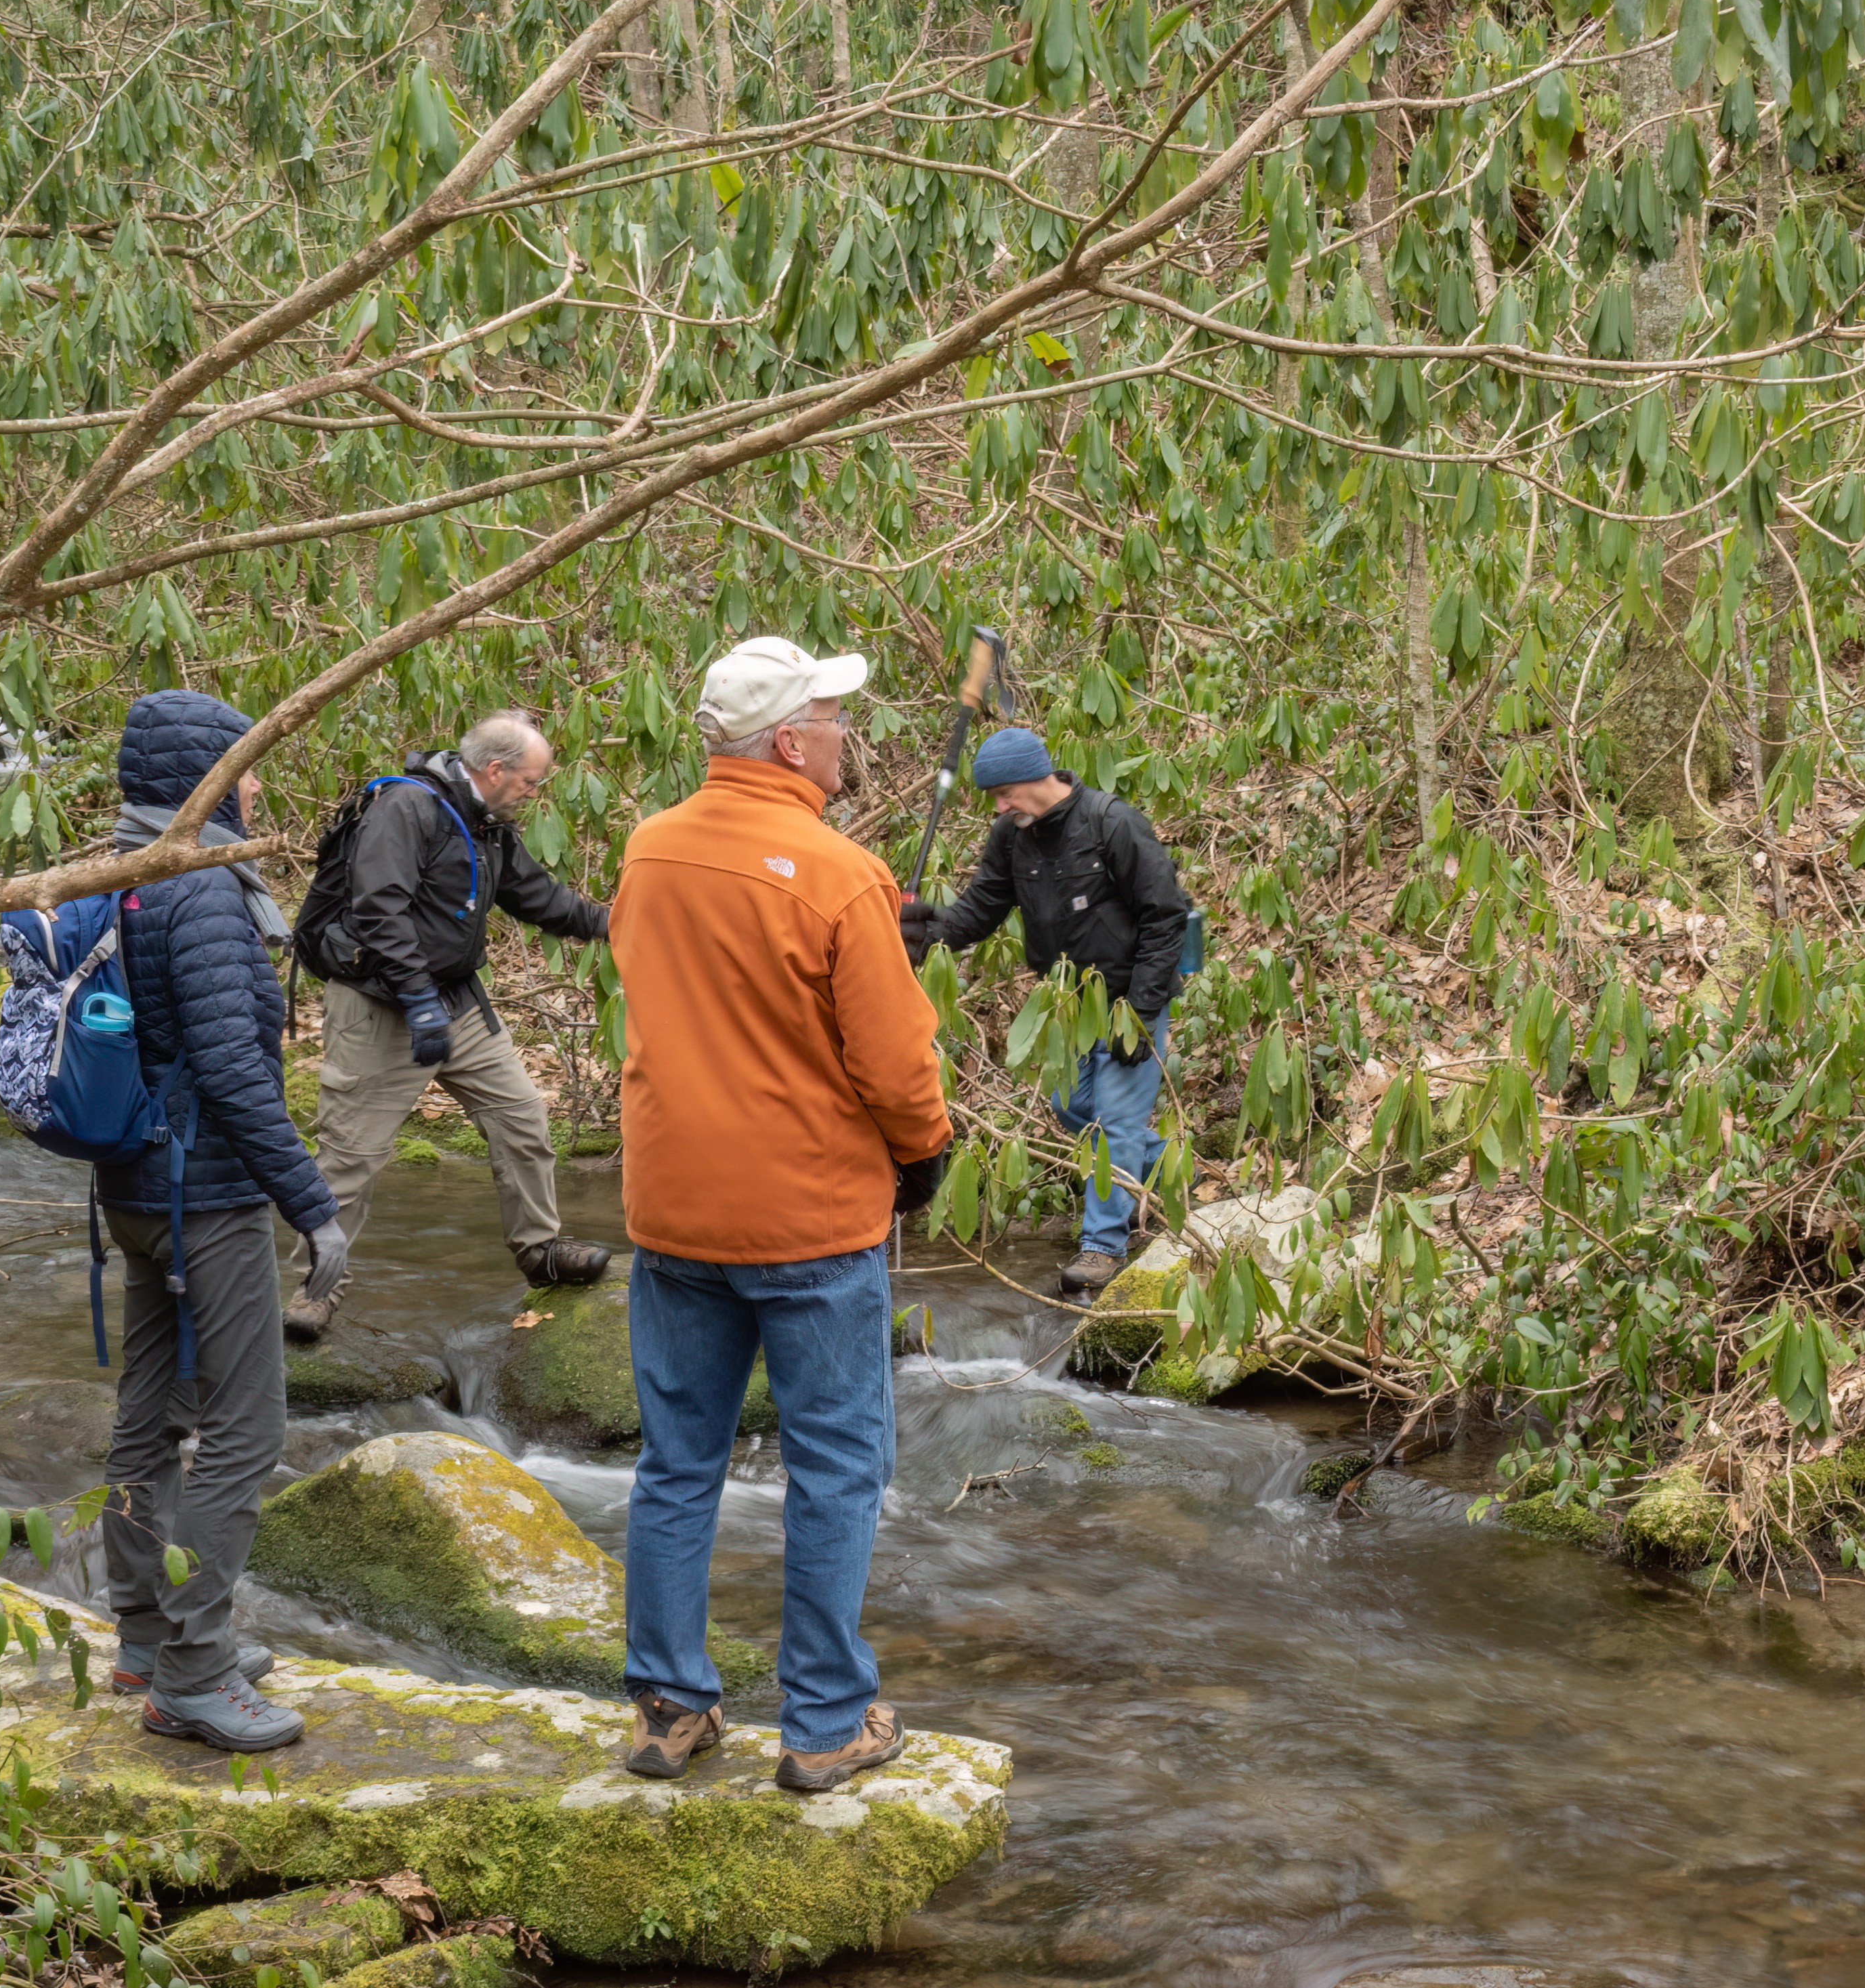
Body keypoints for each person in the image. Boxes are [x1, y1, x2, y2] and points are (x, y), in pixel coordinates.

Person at [603, 637, 952, 1795]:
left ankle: (666, 1706)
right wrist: (925, 1154)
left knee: (677, 1462)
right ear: (790, 741)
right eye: (833, 715)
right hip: (808, 1216)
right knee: (837, 1465)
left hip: (675, 1208)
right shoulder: (840, 871)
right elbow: (900, 1068)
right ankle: (824, 1721)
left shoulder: (648, 850)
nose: (848, 733)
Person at [96, 687, 342, 1752]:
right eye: (245, 764)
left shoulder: (123, 871)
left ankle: (148, 1636)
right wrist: (315, 1207)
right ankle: (193, 1671)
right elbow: (238, 1075)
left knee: (150, 1419)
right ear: (210, 777)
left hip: (137, 1190)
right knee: (244, 1433)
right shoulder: (199, 891)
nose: (257, 782)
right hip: (207, 1196)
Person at [294, 709, 616, 1340]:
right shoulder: (405, 810)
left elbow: (537, 897)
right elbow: (378, 909)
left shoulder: (487, 823)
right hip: (379, 1004)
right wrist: (416, 1000)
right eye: (529, 781)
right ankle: (317, 1288)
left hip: (456, 1003)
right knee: (350, 1157)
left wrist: (615, 922)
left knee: (521, 1117)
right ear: (494, 770)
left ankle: (540, 1250)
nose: (532, 792)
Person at [900, 724, 1194, 1294]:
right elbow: (982, 908)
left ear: (1037, 777)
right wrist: (925, 931)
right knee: (1070, 1107)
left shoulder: (1113, 824)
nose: (1001, 806)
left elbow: (1167, 917)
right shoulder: (1012, 837)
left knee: (1113, 1124)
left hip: (1131, 1000)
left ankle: (1103, 1248)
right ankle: (1167, 1174)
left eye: (1005, 793)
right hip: (1068, 1010)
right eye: (994, 798)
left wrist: (1141, 1008)